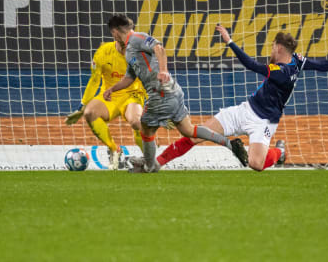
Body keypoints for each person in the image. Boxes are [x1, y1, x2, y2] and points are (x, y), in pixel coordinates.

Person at [155, 24, 328, 172]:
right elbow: (322, 65)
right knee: (196, 135)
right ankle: (157, 162)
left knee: (256, 164)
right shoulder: (297, 61)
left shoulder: (280, 72)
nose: (270, 49)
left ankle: (279, 151)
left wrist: (229, 41)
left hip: (264, 122)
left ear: (278, 48)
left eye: (272, 46)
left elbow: (251, 65)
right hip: (245, 110)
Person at [102, 14, 247, 173]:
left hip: (160, 91)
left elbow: (159, 48)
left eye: (113, 35)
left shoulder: (137, 38)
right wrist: (112, 89)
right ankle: (230, 144)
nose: (114, 38)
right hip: (172, 91)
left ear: (115, 31)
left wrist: (163, 70)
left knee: (145, 127)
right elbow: (129, 78)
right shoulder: (129, 50)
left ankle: (149, 166)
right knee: (188, 130)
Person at [65, 15, 147, 170]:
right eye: (126, 31)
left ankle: (149, 157)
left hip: (133, 95)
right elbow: (94, 80)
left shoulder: (139, 51)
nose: (131, 35)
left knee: (137, 122)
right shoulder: (103, 52)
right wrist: (81, 107)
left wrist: (155, 104)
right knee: (90, 112)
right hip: (109, 96)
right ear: (115, 33)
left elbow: (149, 78)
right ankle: (114, 149)